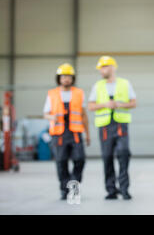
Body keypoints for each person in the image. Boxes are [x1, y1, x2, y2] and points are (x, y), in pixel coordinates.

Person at [87, 56, 137, 200]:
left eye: (104, 67)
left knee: (123, 154)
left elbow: (133, 103)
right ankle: (111, 190)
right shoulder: (97, 86)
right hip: (104, 127)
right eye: (101, 68)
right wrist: (105, 105)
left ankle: (124, 189)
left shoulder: (125, 84)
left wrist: (119, 104)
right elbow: (90, 106)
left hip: (121, 125)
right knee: (107, 157)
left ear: (112, 67)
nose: (101, 70)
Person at [43, 63, 90, 200]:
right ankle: (65, 190)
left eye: (69, 76)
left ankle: (73, 186)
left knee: (80, 160)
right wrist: (52, 117)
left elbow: (84, 115)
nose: (66, 79)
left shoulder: (79, 93)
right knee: (61, 162)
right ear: (59, 78)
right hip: (59, 134)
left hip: (75, 133)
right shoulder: (52, 94)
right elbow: (46, 113)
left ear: (73, 78)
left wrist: (87, 134)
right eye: (63, 76)